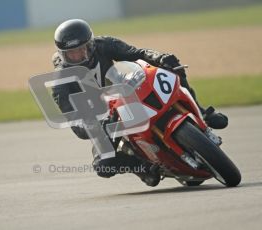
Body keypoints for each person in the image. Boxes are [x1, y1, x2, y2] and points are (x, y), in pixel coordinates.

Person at [51, 19, 228, 186]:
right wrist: (97, 125)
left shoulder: (104, 44)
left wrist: (160, 57)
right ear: (62, 55)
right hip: (102, 116)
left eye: (82, 49)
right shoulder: (60, 83)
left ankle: (203, 112)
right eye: (71, 54)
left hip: (124, 88)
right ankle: (142, 167)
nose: (78, 56)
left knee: (172, 66)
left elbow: (137, 53)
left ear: (91, 44)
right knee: (103, 165)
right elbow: (75, 122)